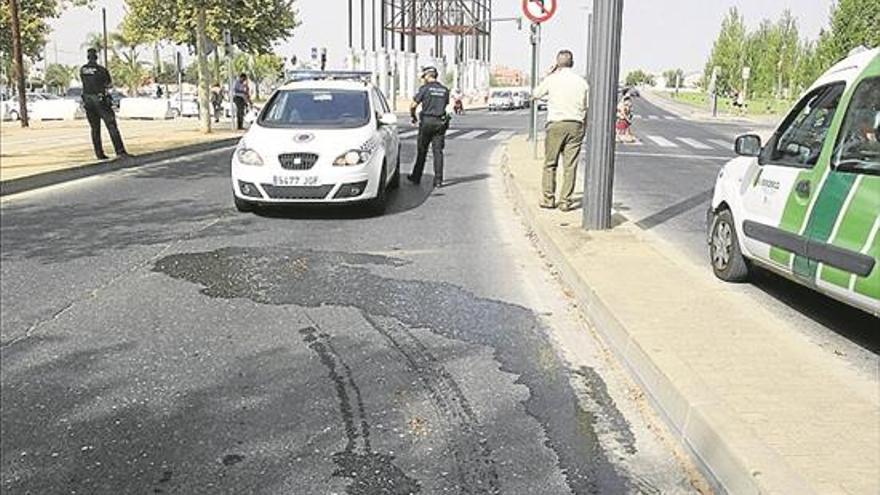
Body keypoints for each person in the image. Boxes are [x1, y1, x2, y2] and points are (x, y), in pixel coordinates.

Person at [532, 49, 588, 211]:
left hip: (556, 124)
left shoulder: (552, 79)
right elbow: (587, 107)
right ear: (573, 63)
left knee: (550, 163)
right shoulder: (582, 82)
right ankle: (565, 201)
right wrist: (584, 126)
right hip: (576, 124)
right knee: (570, 166)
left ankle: (549, 199)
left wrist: (547, 75)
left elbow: (535, 94)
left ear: (557, 63)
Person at [80, 48, 128, 160]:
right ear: (96, 57)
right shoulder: (101, 69)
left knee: (95, 128)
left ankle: (99, 153)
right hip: (100, 100)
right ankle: (120, 151)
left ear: (88, 57)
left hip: (88, 101)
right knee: (111, 125)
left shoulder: (82, 69)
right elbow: (108, 84)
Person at [408, 66, 450, 188]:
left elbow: (413, 105)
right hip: (440, 123)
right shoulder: (445, 90)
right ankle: (438, 181)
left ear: (427, 76)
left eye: (423, 77)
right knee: (438, 152)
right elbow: (445, 104)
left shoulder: (424, 89)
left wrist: (413, 116)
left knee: (422, 151)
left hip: (426, 122)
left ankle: (416, 177)